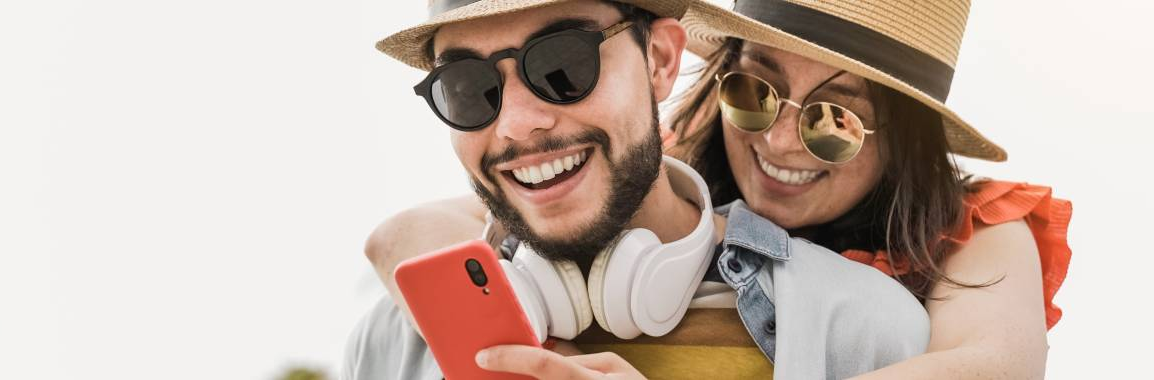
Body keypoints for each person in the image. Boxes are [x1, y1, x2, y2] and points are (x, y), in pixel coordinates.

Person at [348, 1, 934, 379]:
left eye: (560, 66)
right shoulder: (394, 338)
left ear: (659, 60)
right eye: (466, 88)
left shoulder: (868, 329)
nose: (516, 125)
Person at [662, 0, 1072, 377]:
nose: (779, 141)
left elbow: (992, 367)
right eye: (754, 92)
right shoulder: (663, 173)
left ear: (906, 140)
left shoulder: (976, 230)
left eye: (836, 120)